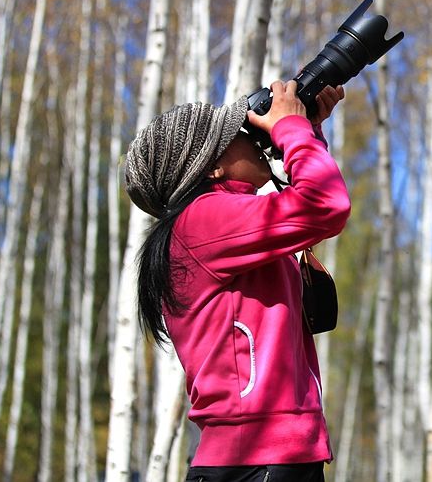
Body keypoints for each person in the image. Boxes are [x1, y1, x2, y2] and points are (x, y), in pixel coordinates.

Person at [124, 80, 350, 482]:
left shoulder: (219, 225)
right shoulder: (203, 221)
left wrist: (307, 132)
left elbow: (309, 216)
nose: (253, 138)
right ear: (210, 167)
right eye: (238, 135)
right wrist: (291, 131)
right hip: (258, 458)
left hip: (264, 458)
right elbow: (326, 206)